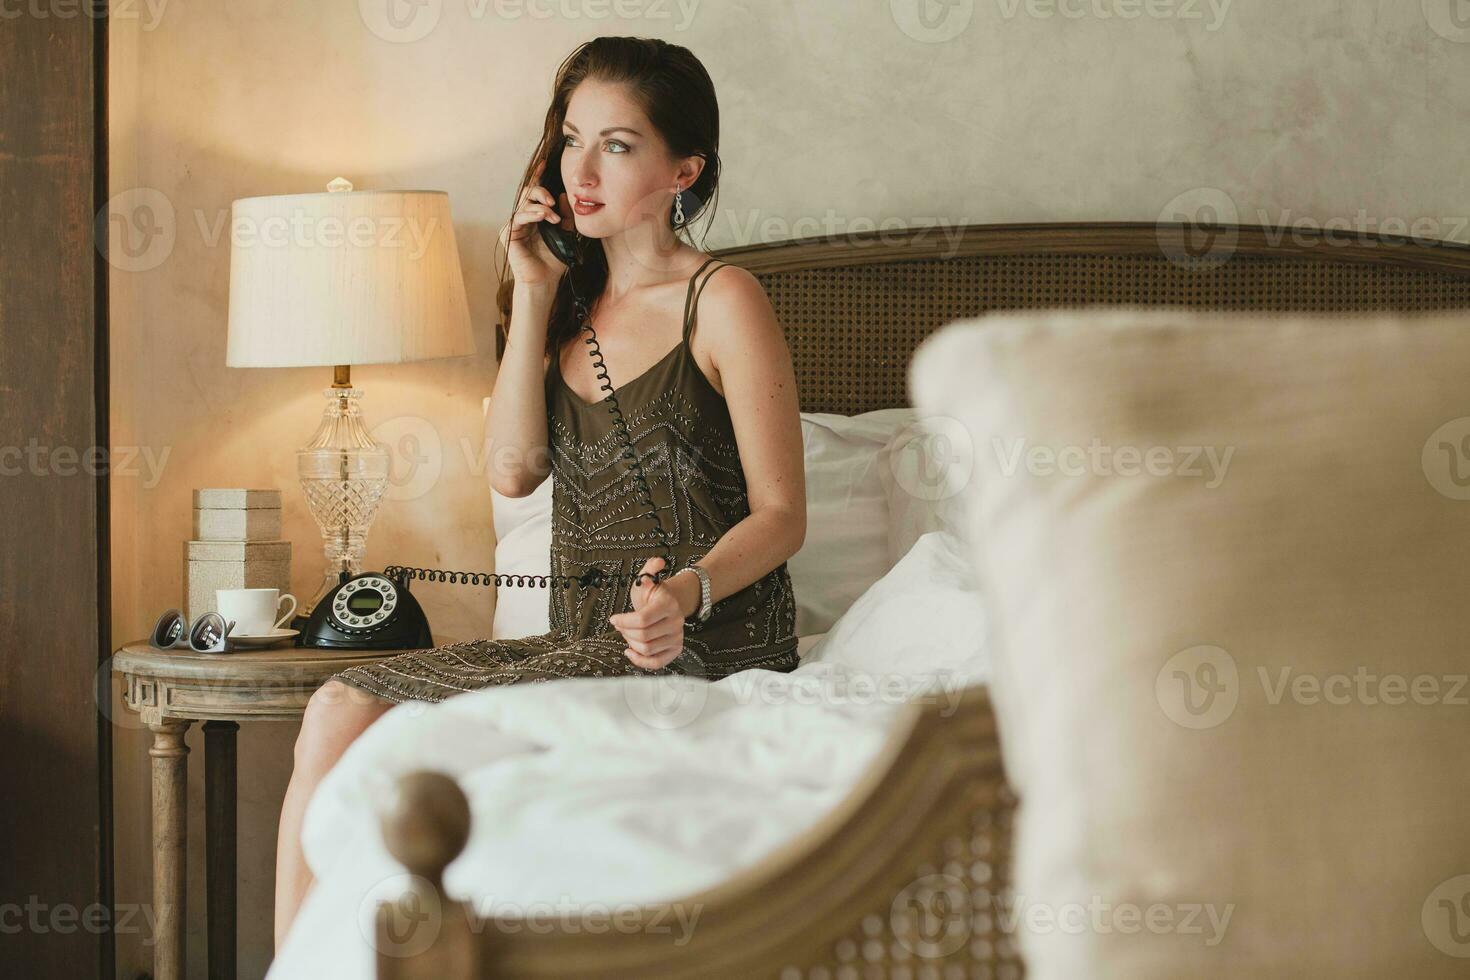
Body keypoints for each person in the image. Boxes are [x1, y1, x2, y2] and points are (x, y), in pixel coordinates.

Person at [272, 36, 806, 948]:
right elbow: (513, 470)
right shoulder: (565, 309)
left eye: (618, 144)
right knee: (334, 703)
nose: (581, 169)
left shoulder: (722, 299)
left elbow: (783, 514)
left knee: (358, 713)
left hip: (707, 637)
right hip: (580, 637)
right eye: (570, 140)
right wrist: (531, 290)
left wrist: (687, 590)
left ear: (685, 169)